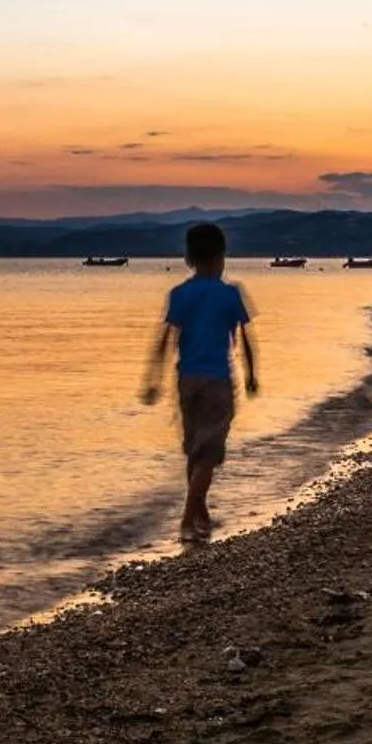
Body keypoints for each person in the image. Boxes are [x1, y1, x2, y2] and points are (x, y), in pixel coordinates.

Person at [140, 222, 258, 541]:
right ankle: (187, 520)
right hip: (218, 380)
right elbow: (246, 339)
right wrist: (251, 374)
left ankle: (200, 513)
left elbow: (164, 338)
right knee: (208, 453)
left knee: (194, 450)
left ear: (189, 258)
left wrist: (153, 378)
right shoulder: (230, 294)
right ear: (221, 256)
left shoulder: (179, 294)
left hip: (186, 380)